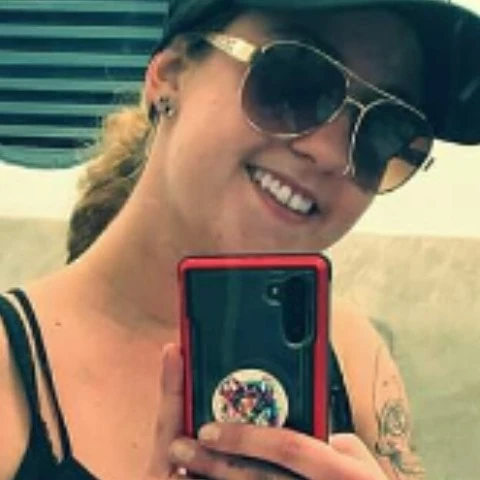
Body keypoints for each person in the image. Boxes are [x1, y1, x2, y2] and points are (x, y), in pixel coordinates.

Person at [1, 0, 479, 479]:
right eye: (294, 81)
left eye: (386, 132)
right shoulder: (9, 381)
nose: (332, 154)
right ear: (169, 75)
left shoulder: (354, 357)